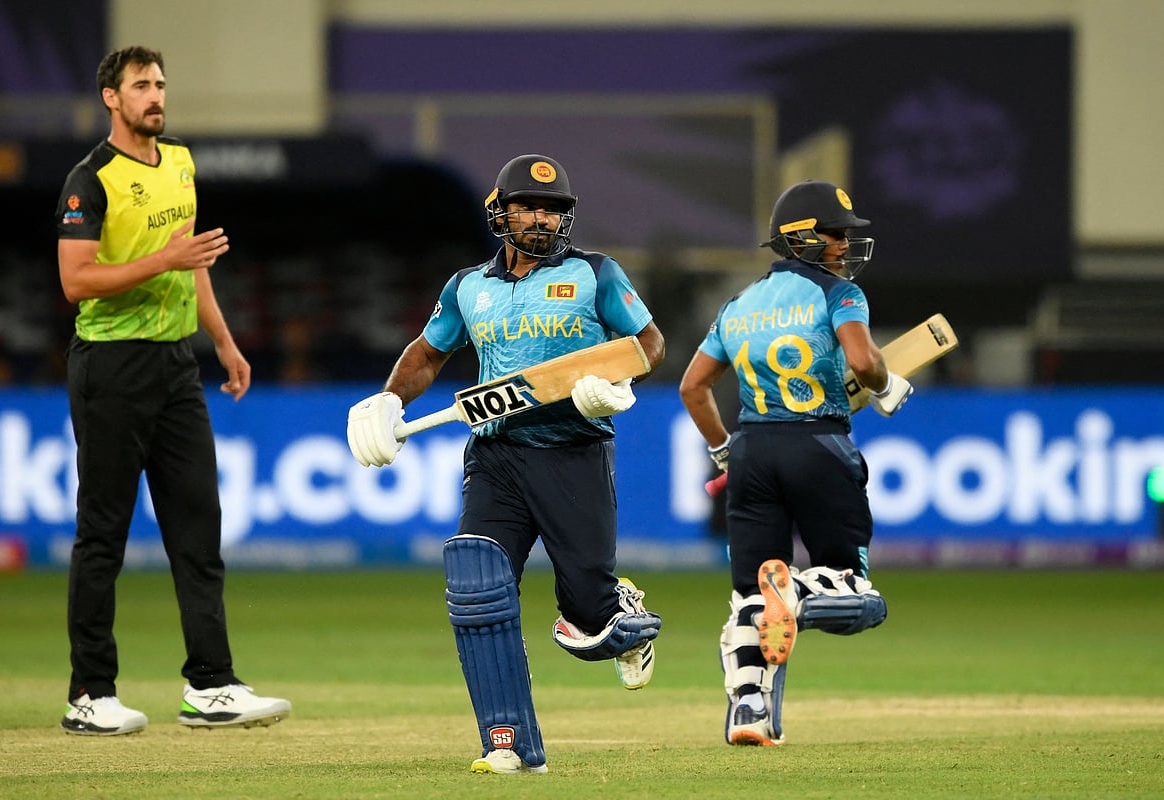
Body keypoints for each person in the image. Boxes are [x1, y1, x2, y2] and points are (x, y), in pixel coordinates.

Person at [347, 154, 665, 774]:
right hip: (495, 455)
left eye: (554, 210)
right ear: (501, 212)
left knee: (587, 624)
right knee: (477, 582)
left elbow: (649, 344)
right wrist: (389, 399)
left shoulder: (596, 273)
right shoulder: (468, 285)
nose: (543, 219)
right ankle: (509, 744)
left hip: (574, 450)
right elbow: (427, 352)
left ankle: (618, 612)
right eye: (530, 207)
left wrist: (610, 379)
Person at [54, 45, 290, 736]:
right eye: (141, 86)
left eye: (160, 84)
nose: (155, 96)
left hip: (175, 368)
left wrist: (222, 339)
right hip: (109, 367)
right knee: (103, 535)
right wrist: (167, 259)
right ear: (111, 97)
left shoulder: (181, 162)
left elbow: (194, 266)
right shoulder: (88, 178)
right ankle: (89, 692)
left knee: (198, 529)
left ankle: (211, 685)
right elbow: (76, 282)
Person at [678, 179, 911, 746]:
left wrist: (724, 450)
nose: (845, 247)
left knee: (748, 600)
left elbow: (693, 387)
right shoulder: (838, 294)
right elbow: (862, 358)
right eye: (836, 236)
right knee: (857, 593)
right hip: (819, 443)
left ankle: (748, 712)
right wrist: (884, 384)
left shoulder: (737, 305)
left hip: (753, 451)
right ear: (803, 238)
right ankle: (801, 595)